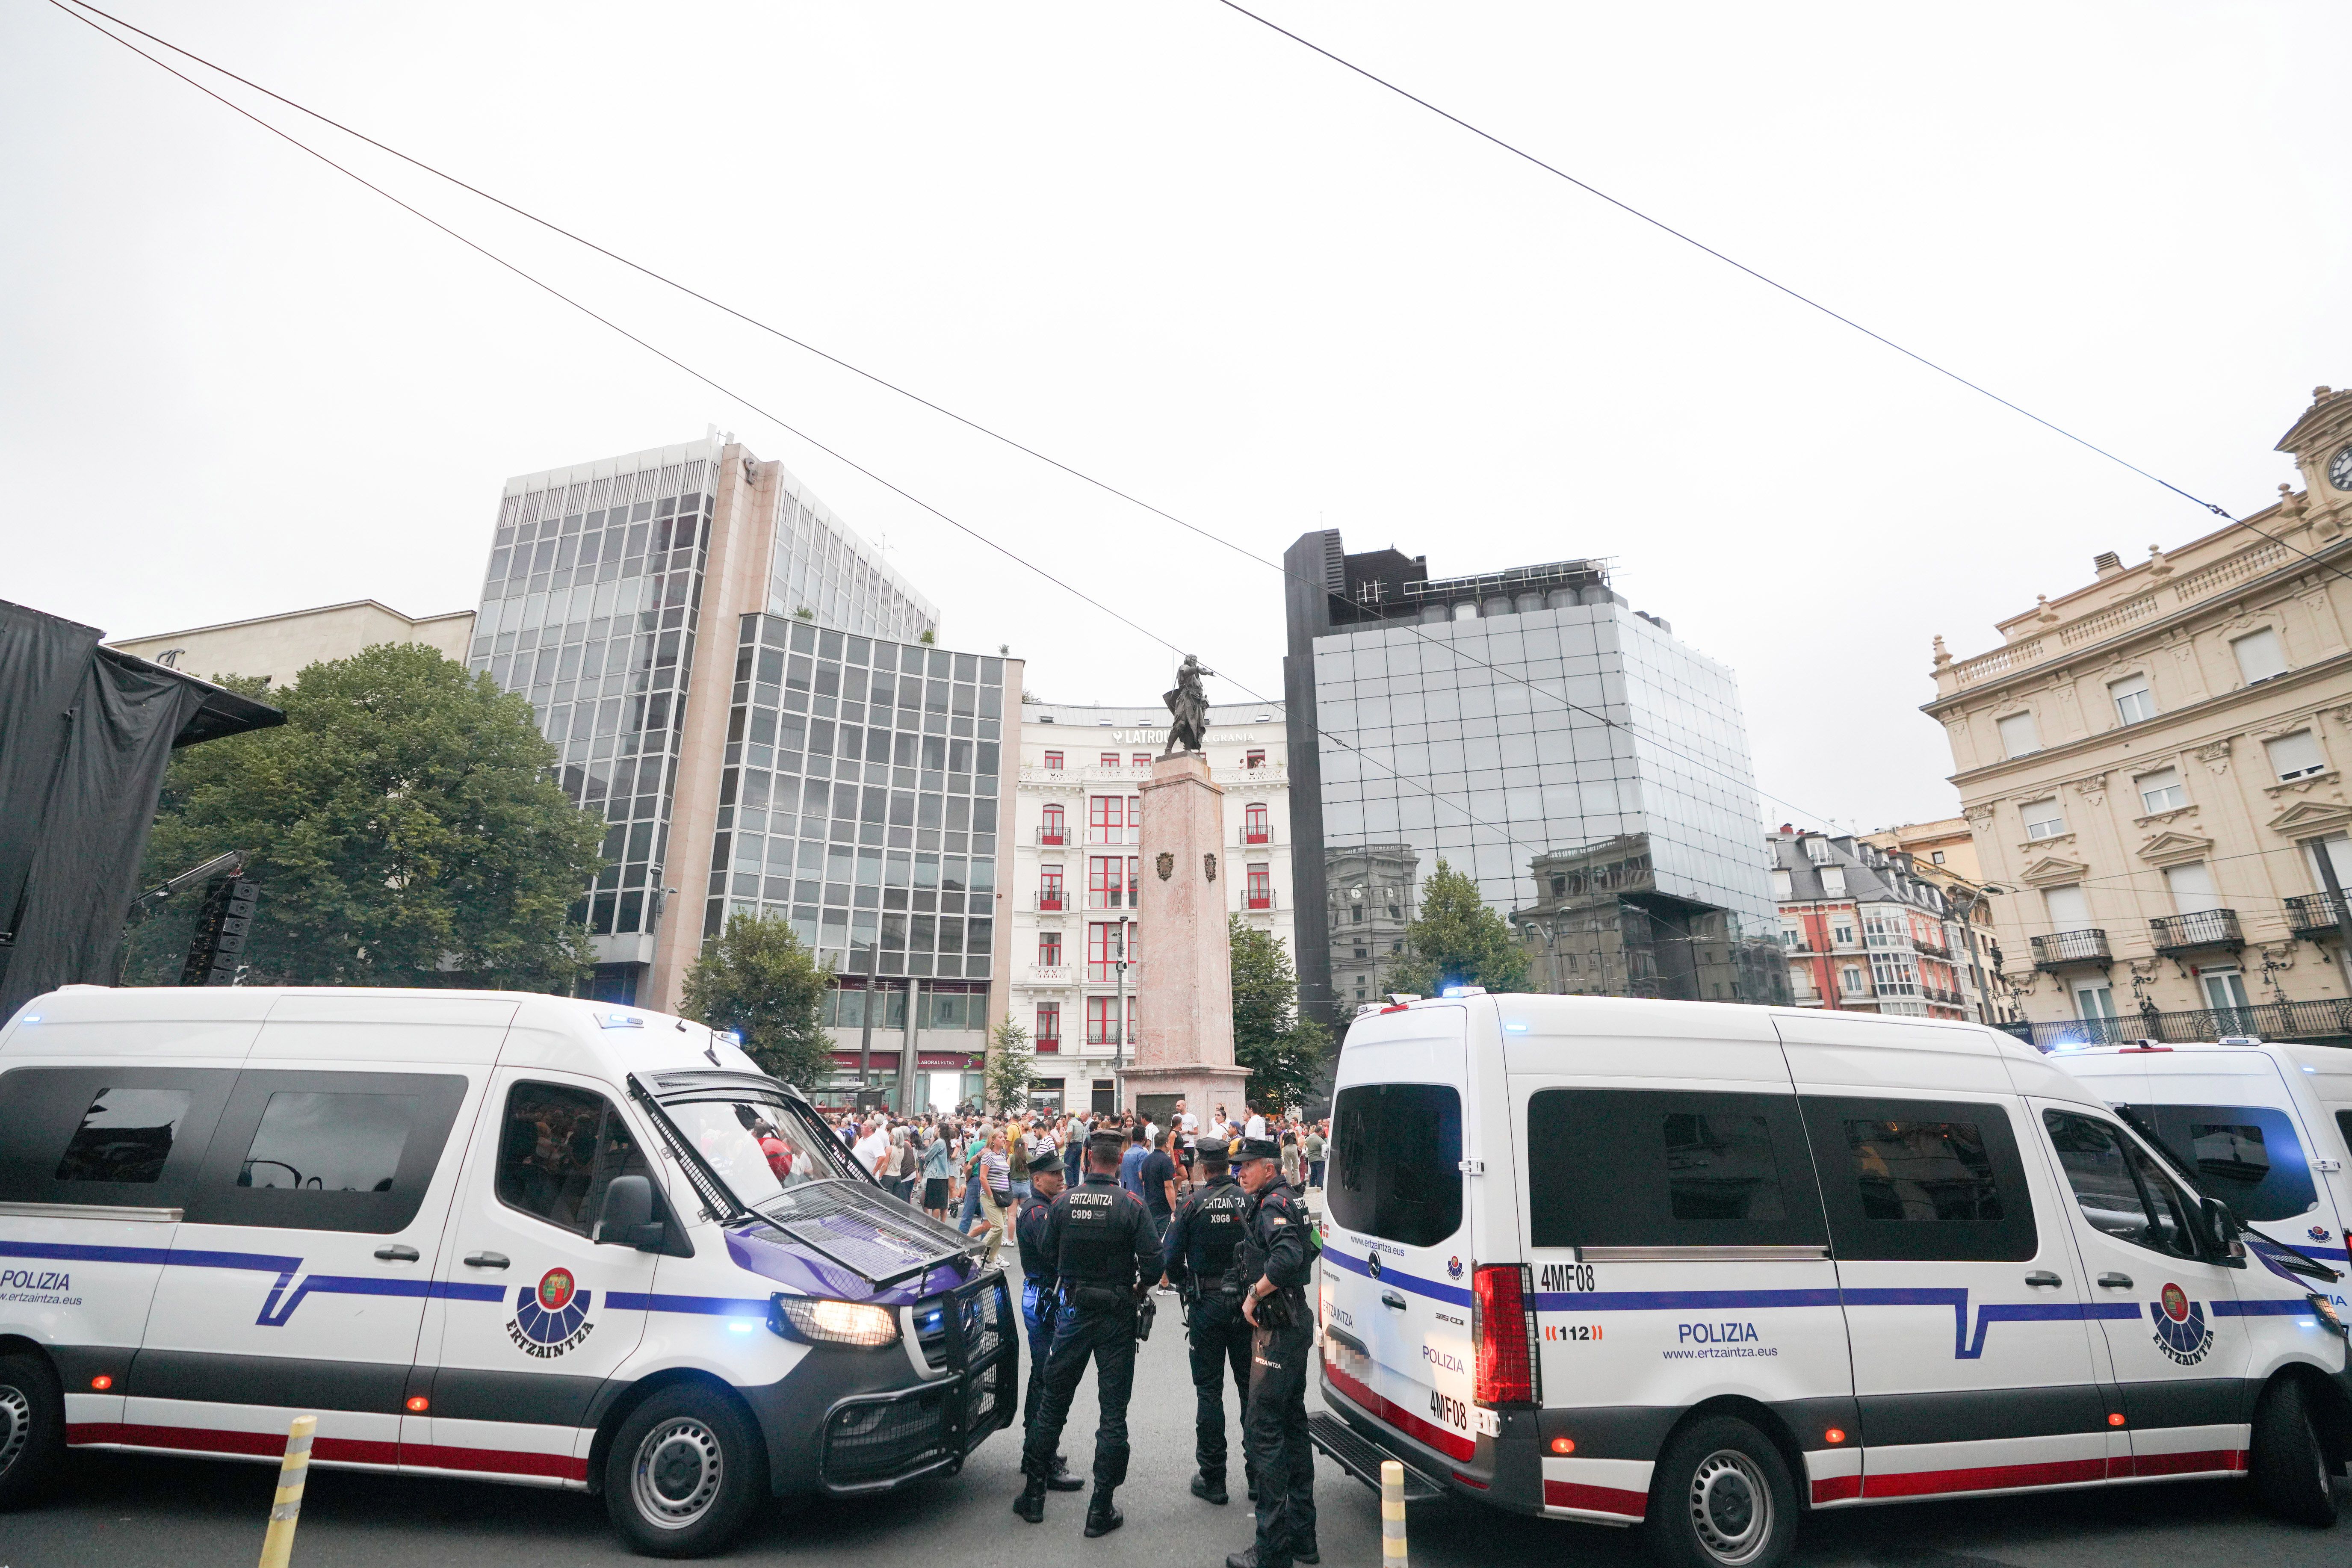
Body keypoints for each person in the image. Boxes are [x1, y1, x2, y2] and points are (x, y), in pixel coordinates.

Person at [1016, 1131, 1160, 1536]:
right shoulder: (1131, 1205)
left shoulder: (1063, 1203)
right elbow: (1154, 1264)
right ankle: (1101, 1508)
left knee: (1052, 1404)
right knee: (1113, 1414)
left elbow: (1047, 1250)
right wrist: (1138, 1288)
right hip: (1117, 1315)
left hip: (1074, 1313)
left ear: (1087, 1159)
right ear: (1119, 1162)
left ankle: (1034, 1495)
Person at [1225, 1136, 1315, 1568]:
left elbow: (1289, 1257)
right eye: (1238, 1166)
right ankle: (1302, 1538)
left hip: (1278, 1326)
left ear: (1268, 1167)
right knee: (1292, 1424)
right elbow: (1313, 1244)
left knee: (1263, 1431)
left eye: (1248, 1165)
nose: (1240, 1172)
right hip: (1294, 1319)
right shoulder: (1291, 1198)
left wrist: (1253, 1295)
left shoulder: (1272, 1204)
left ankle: (1272, 1551)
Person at [1161, 1137, 1256, 1507]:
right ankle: (1258, 1477)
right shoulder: (1248, 1201)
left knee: (1209, 1392)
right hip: (1246, 1306)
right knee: (1251, 1390)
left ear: (1202, 1165)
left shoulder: (1191, 1205)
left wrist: (1187, 1283)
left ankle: (1214, 1478)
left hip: (1206, 1304)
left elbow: (1170, 1258)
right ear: (1229, 1165)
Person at [1010, 1148, 1089, 1500]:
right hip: (1045, 1297)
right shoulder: (1038, 1212)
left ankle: (1036, 1450)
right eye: (1054, 1174)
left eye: (1062, 1172)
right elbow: (1057, 1253)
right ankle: (1042, 1459)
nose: (1061, 1177)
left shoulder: (1043, 1207)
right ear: (1037, 1179)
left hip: (1045, 1295)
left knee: (1043, 1375)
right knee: (1050, 1377)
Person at [1140, 1130, 1179, 1256]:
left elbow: (1144, 1184)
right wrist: (1174, 1209)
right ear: (1167, 1144)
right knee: (1166, 1246)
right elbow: (1168, 1186)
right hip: (1163, 1210)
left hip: (1150, 1208)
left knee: (1153, 1246)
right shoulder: (1166, 1161)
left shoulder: (1147, 1161)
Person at [921, 1126, 953, 1219]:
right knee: (943, 1203)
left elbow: (929, 1155)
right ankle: (942, 1224)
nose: (934, 1131)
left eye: (935, 1129)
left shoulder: (939, 1142)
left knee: (936, 1204)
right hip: (944, 1175)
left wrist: (924, 1157)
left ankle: (934, 1224)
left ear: (939, 1130)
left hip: (936, 1175)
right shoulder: (946, 1142)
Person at [1117, 1125, 1149, 1202]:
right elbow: (1142, 1176)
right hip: (1138, 1196)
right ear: (1145, 1139)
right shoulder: (1143, 1154)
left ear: (1132, 1138)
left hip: (1125, 1194)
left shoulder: (1125, 1154)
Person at [1303, 1122, 1326, 1192]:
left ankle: (1312, 1186)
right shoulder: (1319, 1139)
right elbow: (1325, 1147)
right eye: (1322, 1132)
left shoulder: (1309, 1138)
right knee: (1320, 1174)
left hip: (1311, 1159)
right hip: (1319, 1159)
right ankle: (1320, 1187)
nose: (1322, 1134)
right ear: (1320, 1132)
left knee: (1313, 1174)